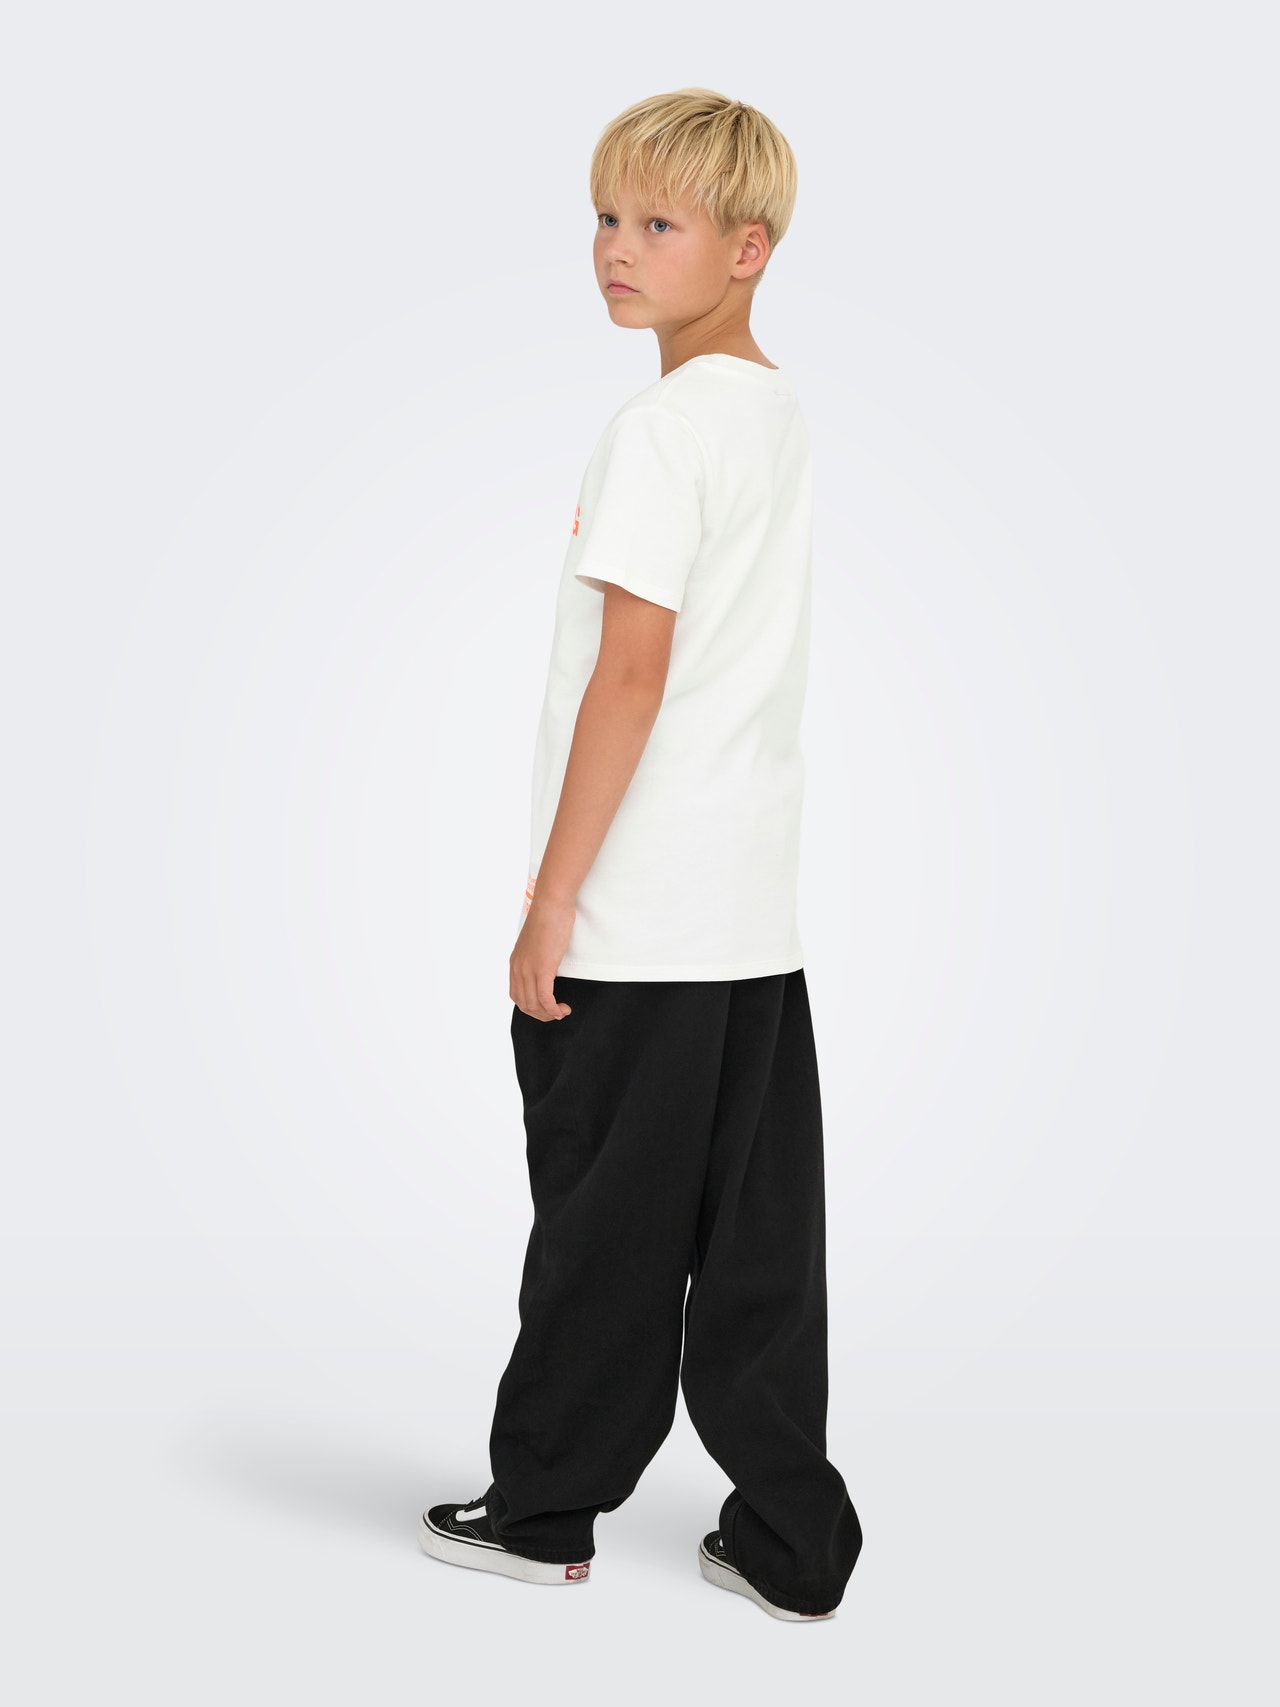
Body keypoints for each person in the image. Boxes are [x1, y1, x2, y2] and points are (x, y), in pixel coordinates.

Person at [419, 86, 864, 1621]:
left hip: (640, 918)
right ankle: (794, 1542)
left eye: (656, 222)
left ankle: (544, 1508)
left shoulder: (661, 431)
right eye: (606, 217)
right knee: (757, 1249)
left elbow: (631, 674)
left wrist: (551, 904)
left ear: (748, 248)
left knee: (603, 1228)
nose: (615, 247)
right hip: (751, 921)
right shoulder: (774, 414)